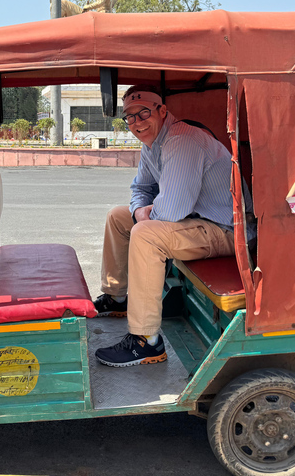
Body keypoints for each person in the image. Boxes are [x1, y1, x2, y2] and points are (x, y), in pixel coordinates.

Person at [93, 84, 255, 368]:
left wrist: (143, 215)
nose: (137, 122)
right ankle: (117, 297)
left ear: (162, 111)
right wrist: (137, 211)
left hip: (229, 231)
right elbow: (140, 188)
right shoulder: (152, 143)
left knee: (146, 234)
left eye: (143, 113)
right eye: (130, 117)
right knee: (118, 216)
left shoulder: (182, 140)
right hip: (197, 221)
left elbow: (171, 212)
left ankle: (146, 341)